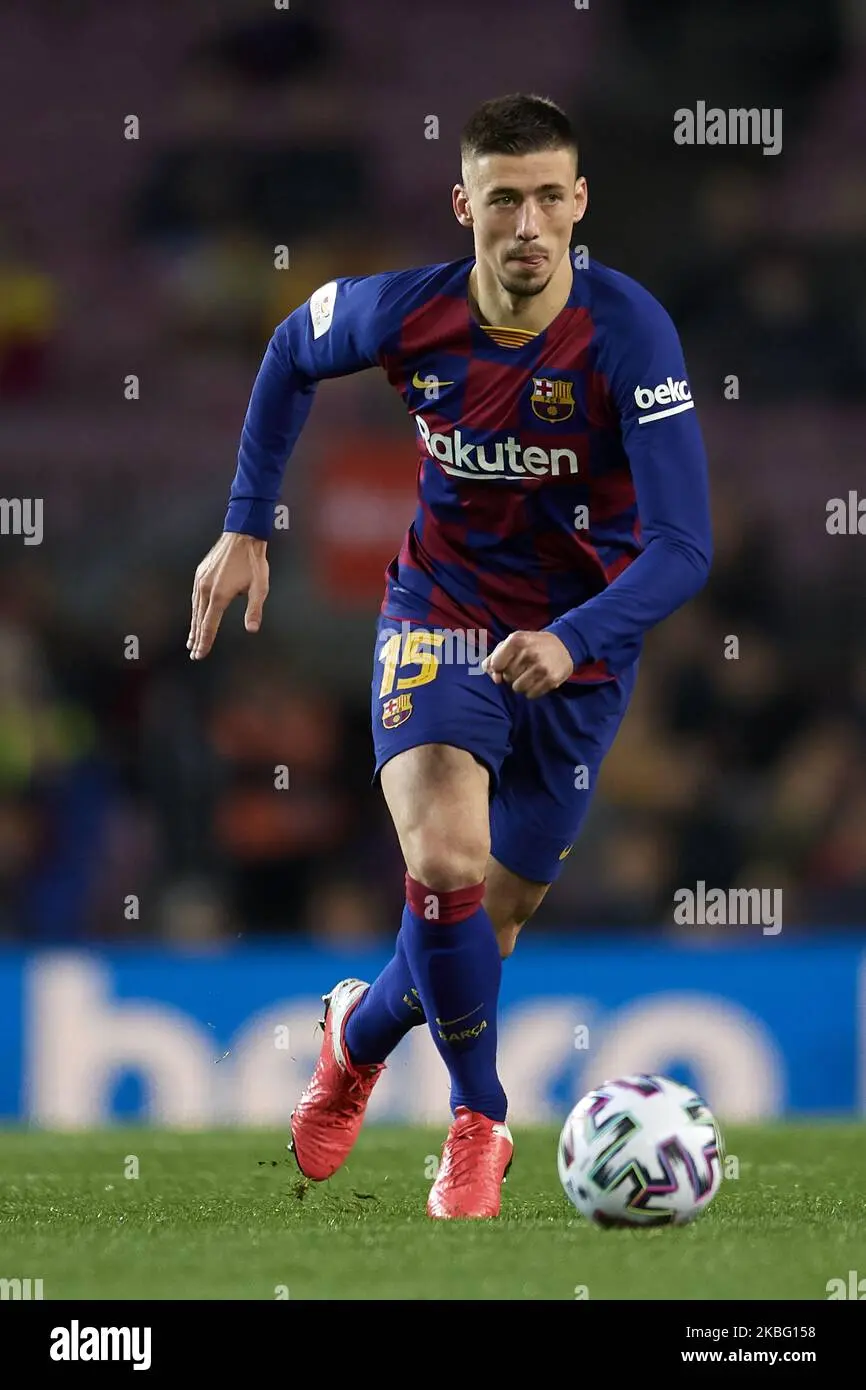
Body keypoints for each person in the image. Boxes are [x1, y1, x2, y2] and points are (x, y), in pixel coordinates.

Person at [187, 94, 713, 1219]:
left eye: (549, 198)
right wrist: (247, 521)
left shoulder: (630, 334)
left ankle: (356, 1036)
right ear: (463, 205)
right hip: (443, 613)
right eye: (503, 199)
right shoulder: (407, 312)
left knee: (492, 917)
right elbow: (289, 349)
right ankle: (479, 1122)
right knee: (444, 857)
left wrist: (573, 637)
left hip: (579, 645)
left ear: (579, 202)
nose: (528, 224)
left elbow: (683, 546)